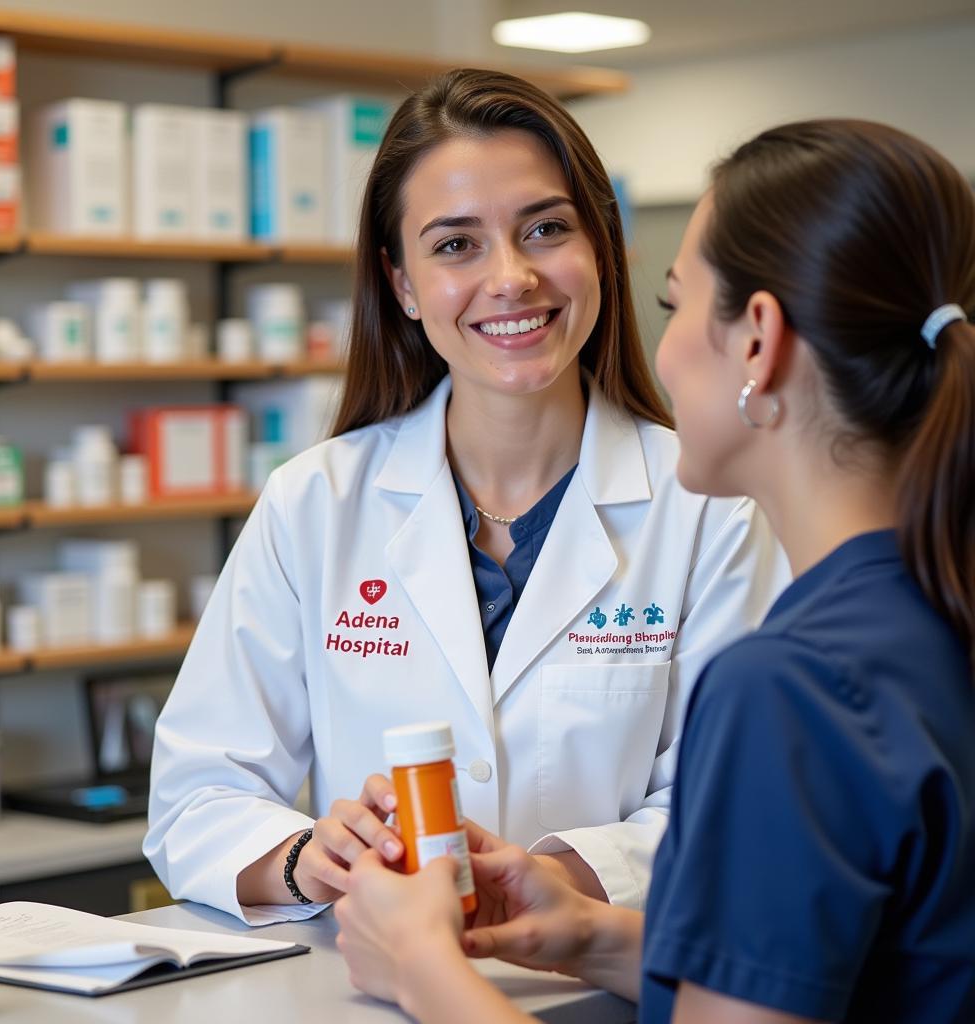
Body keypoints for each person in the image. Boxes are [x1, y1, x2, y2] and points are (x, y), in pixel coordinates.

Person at [334, 118, 975, 1023]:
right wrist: (594, 934)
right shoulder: (933, 609)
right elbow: (862, 972)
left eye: (675, 306)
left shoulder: (792, 687)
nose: (661, 350)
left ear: (757, 342)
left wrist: (420, 967)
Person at [143, 69, 784, 926]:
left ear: (600, 247)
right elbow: (197, 795)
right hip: (370, 991)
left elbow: (740, 802)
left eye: (545, 229)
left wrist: (556, 877)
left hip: (613, 993)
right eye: (455, 245)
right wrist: (313, 858)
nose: (512, 277)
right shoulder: (315, 504)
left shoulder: (713, 508)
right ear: (402, 283)